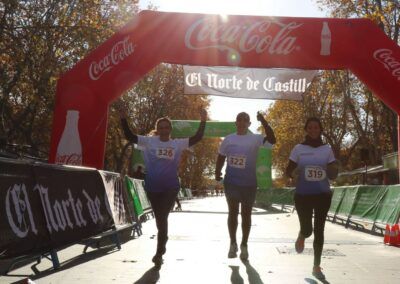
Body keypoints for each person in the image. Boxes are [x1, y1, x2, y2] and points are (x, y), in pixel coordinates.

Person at [116, 100, 207, 266]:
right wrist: (123, 118)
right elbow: (129, 136)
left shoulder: (177, 144)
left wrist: (203, 120)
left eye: (167, 127)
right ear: (158, 130)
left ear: (170, 130)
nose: (165, 130)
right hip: (153, 187)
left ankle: (158, 253)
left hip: (171, 187)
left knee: (163, 217)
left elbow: (197, 137)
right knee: (160, 220)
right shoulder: (149, 142)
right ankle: (163, 243)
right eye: (162, 128)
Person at [215, 111, 276, 261]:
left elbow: (272, 140)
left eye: (245, 120)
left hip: (249, 183)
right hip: (231, 182)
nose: (242, 122)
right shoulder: (228, 139)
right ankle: (232, 243)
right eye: (239, 120)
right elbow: (221, 157)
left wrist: (264, 121)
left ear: (249, 124)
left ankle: (244, 244)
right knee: (232, 213)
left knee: (246, 215)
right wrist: (217, 173)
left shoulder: (255, 139)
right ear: (235, 123)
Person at [285, 117, 338, 280]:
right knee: (308, 230)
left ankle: (316, 266)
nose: (313, 130)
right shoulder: (298, 148)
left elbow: (333, 173)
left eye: (316, 127)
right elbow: (288, 170)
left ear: (320, 129)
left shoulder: (327, 149)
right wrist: (292, 175)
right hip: (303, 195)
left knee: (319, 230)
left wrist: (333, 170)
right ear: (306, 130)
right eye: (310, 127)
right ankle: (302, 234)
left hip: (323, 195)